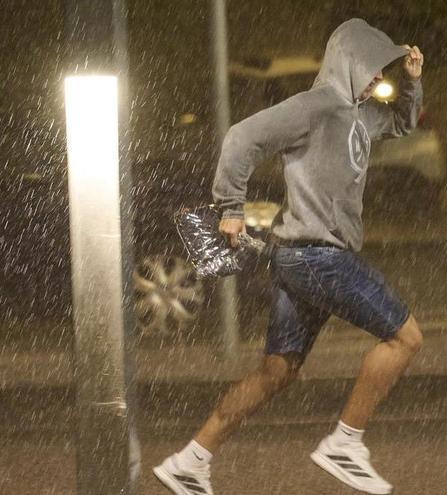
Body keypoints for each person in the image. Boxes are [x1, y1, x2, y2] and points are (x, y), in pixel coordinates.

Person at [154, 18, 424, 495]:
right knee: (405, 339)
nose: (374, 79)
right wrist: (231, 208)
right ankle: (345, 443)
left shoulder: (360, 114)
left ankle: (190, 461)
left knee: (277, 371)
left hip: (297, 258)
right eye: (369, 68)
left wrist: (414, 82)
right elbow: (241, 137)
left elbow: (402, 122)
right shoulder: (316, 107)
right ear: (349, 62)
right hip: (317, 256)